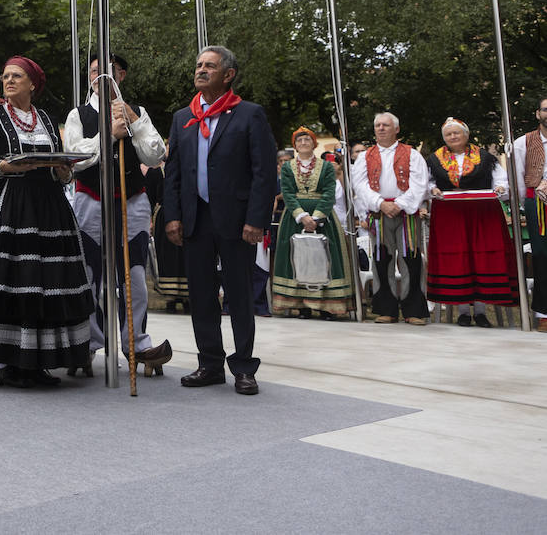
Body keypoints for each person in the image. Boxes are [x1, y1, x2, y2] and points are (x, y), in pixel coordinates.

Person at [0, 56, 94, 389]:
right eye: (6, 76)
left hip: (46, 208)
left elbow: (55, 160)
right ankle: (9, 361)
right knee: (10, 278)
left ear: (33, 84)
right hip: (4, 207)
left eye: (17, 76)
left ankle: (36, 360)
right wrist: (3, 167)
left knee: (43, 280)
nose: (9, 81)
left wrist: (62, 169)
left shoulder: (48, 120)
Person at [161, 46, 276, 396]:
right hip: (196, 217)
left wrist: (257, 219)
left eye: (209, 66)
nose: (201, 70)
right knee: (201, 293)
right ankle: (209, 363)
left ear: (228, 74)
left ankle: (243, 366)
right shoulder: (184, 117)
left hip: (237, 219)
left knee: (240, 293)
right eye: (198, 65)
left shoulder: (249, 115)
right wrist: (173, 216)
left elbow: (264, 172)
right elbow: (174, 174)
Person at [64, 52, 171, 378]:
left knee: (134, 277)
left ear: (121, 76)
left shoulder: (137, 112)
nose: (100, 78)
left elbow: (155, 155)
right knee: (90, 276)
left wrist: (133, 124)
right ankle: (89, 345)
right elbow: (75, 158)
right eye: (94, 72)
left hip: (132, 200)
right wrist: (109, 134)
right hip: (92, 200)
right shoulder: (78, 115)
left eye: (106, 72)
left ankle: (136, 343)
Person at [426, 117, 516, 327]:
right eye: (449, 134)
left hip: (482, 212)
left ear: (466, 135)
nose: (453, 137)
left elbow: (501, 181)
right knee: (458, 256)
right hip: (450, 214)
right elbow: (427, 182)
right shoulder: (434, 160)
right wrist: (432, 190)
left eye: (457, 133)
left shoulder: (485, 157)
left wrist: (501, 189)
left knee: (482, 255)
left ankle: (482, 310)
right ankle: (463, 311)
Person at [351, 112, 431, 325]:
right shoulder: (365, 156)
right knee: (381, 260)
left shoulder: (412, 154)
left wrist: (400, 204)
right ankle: (386, 309)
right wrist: (380, 203)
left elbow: (420, 183)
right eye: (377, 125)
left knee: (410, 260)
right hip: (379, 213)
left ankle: (413, 309)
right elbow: (359, 185)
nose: (381, 128)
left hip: (406, 213)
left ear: (396, 129)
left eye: (385, 125)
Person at [270, 127, 355, 319]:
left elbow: (328, 192)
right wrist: (302, 216)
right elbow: (288, 193)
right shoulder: (287, 167)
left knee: (325, 257)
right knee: (296, 257)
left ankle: (327, 306)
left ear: (314, 143)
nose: (303, 143)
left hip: (323, 217)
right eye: (299, 141)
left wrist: (316, 217)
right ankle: (302, 306)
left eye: (307, 140)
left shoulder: (326, 167)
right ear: (294, 146)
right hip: (294, 218)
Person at [511, 97, 547, 331]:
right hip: (538, 205)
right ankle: (544, 313)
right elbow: (517, 177)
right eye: (546, 109)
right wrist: (525, 206)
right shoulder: (523, 142)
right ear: (538, 114)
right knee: (542, 256)